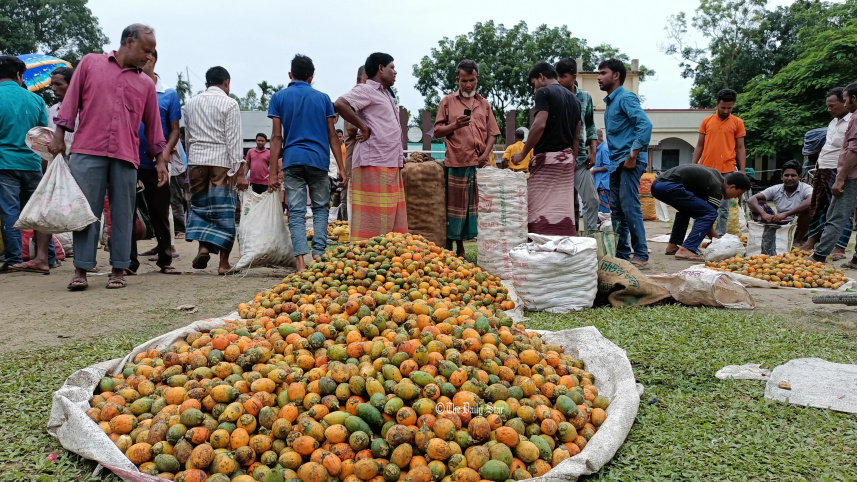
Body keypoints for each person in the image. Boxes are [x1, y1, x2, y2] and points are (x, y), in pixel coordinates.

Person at [49, 24, 168, 290]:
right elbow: (70, 103)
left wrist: (160, 160)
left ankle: (118, 269)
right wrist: (59, 135)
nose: (149, 57)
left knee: (123, 213)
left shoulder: (145, 83)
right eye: (146, 50)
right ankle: (81, 270)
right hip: (87, 149)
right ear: (128, 42)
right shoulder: (91, 63)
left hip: (126, 154)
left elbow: (153, 126)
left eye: (152, 52)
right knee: (86, 213)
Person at [267, 54, 344, 271]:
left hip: (292, 160)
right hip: (318, 161)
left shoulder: (279, 98)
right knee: (320, 209)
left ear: (290, 75)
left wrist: (273, 172)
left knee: (297, 211)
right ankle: (319, 256)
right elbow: (332, 136)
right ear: (312, 76)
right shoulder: (323, 99)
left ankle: (300, 263)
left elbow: (276, 137)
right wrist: (341, 168)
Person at [334, 53, 408, 241]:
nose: (395, 71)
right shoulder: (366, 90)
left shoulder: (384, 94)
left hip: (388, 162)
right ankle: (365, 261)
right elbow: (340, 103)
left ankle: (390, 260)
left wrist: (400, 155)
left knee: (391, 219)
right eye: (392, 67)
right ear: (380, 68)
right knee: (373, 222)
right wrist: (363, 126)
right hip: (373, 163)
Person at [183, 66, 248, 275]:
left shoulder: (190, 104)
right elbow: (234, 140)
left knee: (200, 207)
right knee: (224, 211)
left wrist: (190, 161)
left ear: (206, 84)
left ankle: (203, 247)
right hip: (221, 161)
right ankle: (223, 263)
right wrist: (239, 169)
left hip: (196, 160)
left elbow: (188, 137)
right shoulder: (230, 104)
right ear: (226, 83)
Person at [433, 59, 500, 257]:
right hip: (457, 161)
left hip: (480, 164)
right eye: (464, 81)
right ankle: (457, 248)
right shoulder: (447, 101)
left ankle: (484, 250)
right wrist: (455, 125)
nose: (468, 85)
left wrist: (485, 154)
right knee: (456, 210)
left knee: (479, 209)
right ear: (457, 80)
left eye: (471, 80)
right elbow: (437, 131)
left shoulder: (484, 103)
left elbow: (492, 133)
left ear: (477, 79)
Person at [511, 61, 581, 235]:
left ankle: (541, 248)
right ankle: (562, 248)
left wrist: (522, 153)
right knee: (561, 210)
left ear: (541, 77)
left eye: (534, 84)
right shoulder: (575, 100)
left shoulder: (544, 92)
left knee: (539, 210)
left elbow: (539, 125)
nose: (535, 90)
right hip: (566, 160)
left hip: (547, 161)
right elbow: (576, 136)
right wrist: (572, 160)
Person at [0, 55, 55, 274]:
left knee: (9, 211)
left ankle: (14, 259)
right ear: (19, 75)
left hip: (4, 163)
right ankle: (48, 256)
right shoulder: (36, 100)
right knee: (38, 211)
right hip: (32, 163)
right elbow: (43, 136)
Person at [598, 58, 651, 268]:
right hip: (615, 162)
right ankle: (622, 254)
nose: (600, 78)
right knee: (617, 210)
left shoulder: (626, 98)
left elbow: (645, 125)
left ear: (616, 75)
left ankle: (641, 255)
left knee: (630, 207)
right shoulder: (610, 103)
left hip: (628, 161)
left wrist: (633, 155)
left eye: (603, 73)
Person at [132, 51, 181, 274]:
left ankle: (165, 260)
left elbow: (174, 130)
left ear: (151, 60)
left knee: (160, 212)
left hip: (156, 162)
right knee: (127, 212)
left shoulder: (168, 94)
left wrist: (167, 150)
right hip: (129, 160)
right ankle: (129, 262)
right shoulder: (128, 89)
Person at [653, 165, 751, 260]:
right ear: (732, 187)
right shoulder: (717, 189)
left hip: (657, 185)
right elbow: (708, 221)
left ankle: (672, 246)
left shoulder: (716, 176)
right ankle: (686, 249)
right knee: (710, 213)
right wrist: (721, 244)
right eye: (738, 194)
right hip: (670, 186)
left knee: (686, 211)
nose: (735, 197)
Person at [809, 82, 857, 268]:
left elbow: (853, 151)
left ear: (854, 99)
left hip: (852, 175)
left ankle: (819, 256)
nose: (845, 104)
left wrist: (841, 178)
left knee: (837, 214)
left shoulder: (854, 118)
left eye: (846, 100)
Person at [692, 88, 747, 236]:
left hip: (727, 169)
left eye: (729, 108)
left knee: (724, 205)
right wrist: (693, 164)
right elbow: (699, 146)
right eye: (723, 107)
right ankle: (698, 234)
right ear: (717, 104)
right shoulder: (707, 121)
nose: (726, 110)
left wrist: (742, 171)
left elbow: (740, 148)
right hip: (706, 169)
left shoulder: (738, 123)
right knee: (702, 204)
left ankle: (719, 235)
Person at [556, 58, 600, 231]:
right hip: (560, 159)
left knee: (591, 200)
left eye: (563, 76)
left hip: (580, 159)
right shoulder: (554, 95)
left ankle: (590, 239)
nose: (559, 80)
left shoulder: (585, 97)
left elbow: (590, 125)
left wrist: (593, 151)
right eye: (557, 76)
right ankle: (570, 240)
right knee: (568, 205)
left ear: (574, 76)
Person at [748, 161, 813, 254]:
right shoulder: (776, 188)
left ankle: (797, 240)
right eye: (786, 175)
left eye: (793, 175)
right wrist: (764, 214)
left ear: (799, 177)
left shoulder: (806, 188)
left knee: (808, 209)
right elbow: (751, 200)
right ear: (782, 177)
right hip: (779, 222)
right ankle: (767, 235)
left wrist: (786, 214)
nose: (789, 178)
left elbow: (811, 201)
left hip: (799, 225)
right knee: (758, 203)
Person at [339, 65, 369, 222]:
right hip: (353, 161)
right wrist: (369, 128)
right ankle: (349, 227)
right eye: (367, 80)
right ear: (359, 80)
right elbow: (351, 130)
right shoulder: (353, 99)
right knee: (351, 198)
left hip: (365, 161)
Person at [47, 66, 75, 160]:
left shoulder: (83, 110)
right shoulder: (53, 110)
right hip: (55, 164)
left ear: (72, 85)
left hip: (76, 165)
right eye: (52, 84)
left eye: (58, 84)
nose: (53, 88)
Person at [592, 128, 611, 212]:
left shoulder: (604, 149)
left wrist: (594, 170)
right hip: (598, 183)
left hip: (603, 184)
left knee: (604, 211)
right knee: (598, 210)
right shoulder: (598, 149)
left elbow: (608, 166)